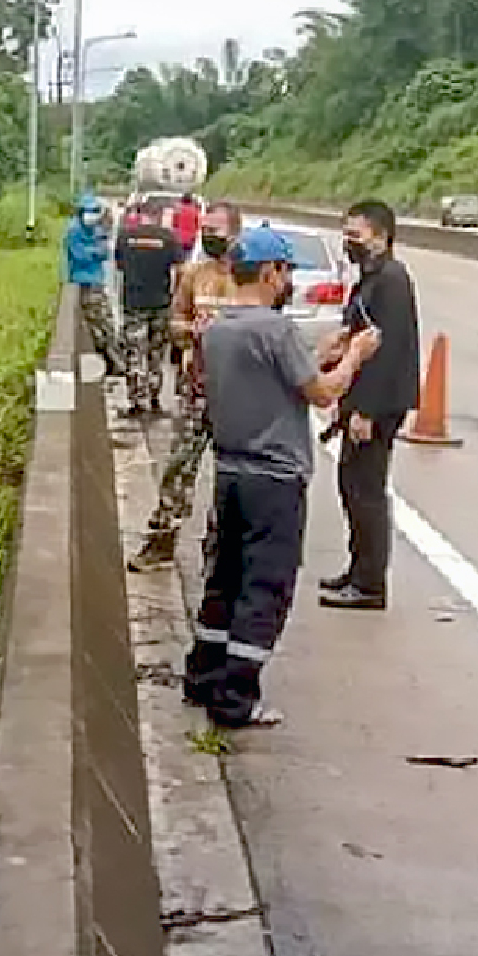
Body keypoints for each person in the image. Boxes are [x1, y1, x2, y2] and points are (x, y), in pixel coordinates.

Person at [184, 226, 381, 729]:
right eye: (287, 270)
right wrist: (354, 357)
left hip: (230, 473)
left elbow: (278, 377)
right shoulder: (275, 329)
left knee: (225, 579)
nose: (288, 280)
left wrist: (321, 354)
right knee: (265, 587)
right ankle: (236, 699)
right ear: (271, 272)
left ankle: (203, 676)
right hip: (274, 479)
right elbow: (322, 393)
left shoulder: (219, 329)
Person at [319, 199, 422, 612]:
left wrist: (366, 410)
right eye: (345, 234)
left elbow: (388, 350)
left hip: (378, 402)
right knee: (350, 484)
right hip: (361, 396)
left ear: (380, 237)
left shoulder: (392, 281)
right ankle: (357, 568)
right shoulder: (372, 277)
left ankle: (369, 583)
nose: (349, 243)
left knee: (366, 491)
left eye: (355, 235)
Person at [130, 201, 241, 572]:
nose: (208, 236)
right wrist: (190, 331)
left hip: (237, 395)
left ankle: (221, 551)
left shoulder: (248, 280)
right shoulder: (194, 275)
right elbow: (174, 322)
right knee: (179, 467)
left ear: (235, 234)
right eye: (204, 229)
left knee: (234, 477)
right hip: (195, 389)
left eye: (215, 230)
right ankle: (162, 540)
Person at [114, 203, 183, 417]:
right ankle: (154, 398)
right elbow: (179, 270)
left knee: (134, 352)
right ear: (159, 215)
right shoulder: (169, 238)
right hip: (161, 303)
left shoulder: (125, 236)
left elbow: (119, 266)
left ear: (140, 214)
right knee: (156, 354)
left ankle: (136, 401)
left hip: (134, 303)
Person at [66, 194, 117, 374]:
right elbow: (81, 256)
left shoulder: (96, 230)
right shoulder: (74, 231)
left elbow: (106, 253)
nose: (93, 215)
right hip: (81, 283)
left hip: (96, 281)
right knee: (95, 325)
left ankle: (111, 361)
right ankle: (111, 361)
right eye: (89, 211)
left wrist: (95, 251)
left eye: (96, 211)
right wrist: (96, 251)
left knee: (105, 324)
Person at [173, 192, 203, 258]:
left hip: (179, 237)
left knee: (179, 255)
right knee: (188, 255)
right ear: (191, 201)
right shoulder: (195, 211)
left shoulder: (178, 210)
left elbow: (174, 224)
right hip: (190, 237)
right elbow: (198, 224)